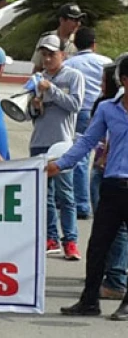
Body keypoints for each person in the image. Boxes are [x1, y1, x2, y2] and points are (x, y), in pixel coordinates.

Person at [52, 58, 128, 319]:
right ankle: (89, 301)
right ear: (125, 81)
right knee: (97, 245)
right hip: (113, 185)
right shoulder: (108, 109)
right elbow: (87, 142)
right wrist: (61, 164)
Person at [31, 34, 84, 260]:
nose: (47, 58)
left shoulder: (73, 76)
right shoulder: (37, 78)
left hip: (62, 143)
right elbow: (29, 115)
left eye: (52, 54)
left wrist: (51, 90)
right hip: (39, 141)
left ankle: (70, 241)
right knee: (45, 196)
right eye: (44, 54)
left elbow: (75, 105)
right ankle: (50, 237)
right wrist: (35, 106)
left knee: (66, 195)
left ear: (63, 54)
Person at [64, 27, 113, 219]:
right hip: (103, 109)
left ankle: (81, 203)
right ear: (94, 44)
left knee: (80, 155)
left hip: (79, 111)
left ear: (76, 44)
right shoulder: (106, 62)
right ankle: (93, 202)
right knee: (102, 155)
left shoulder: (70, 63)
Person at [32, 2, 83, 73]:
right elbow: (38, 67)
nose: (78, 24)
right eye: (74, 20)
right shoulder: (46, 38)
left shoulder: (80, 41)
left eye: (79, 20)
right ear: (62, 20)